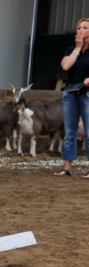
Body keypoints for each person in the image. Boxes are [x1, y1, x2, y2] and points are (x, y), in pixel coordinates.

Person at [53, 17, 89, 177]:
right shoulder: (70, 49)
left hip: (87, 94)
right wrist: (77, 47)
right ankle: (68, 167)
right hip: (70, 94)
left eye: (85, 28)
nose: (81, 30)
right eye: (79, 28)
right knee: (69, 131)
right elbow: (66, 65)